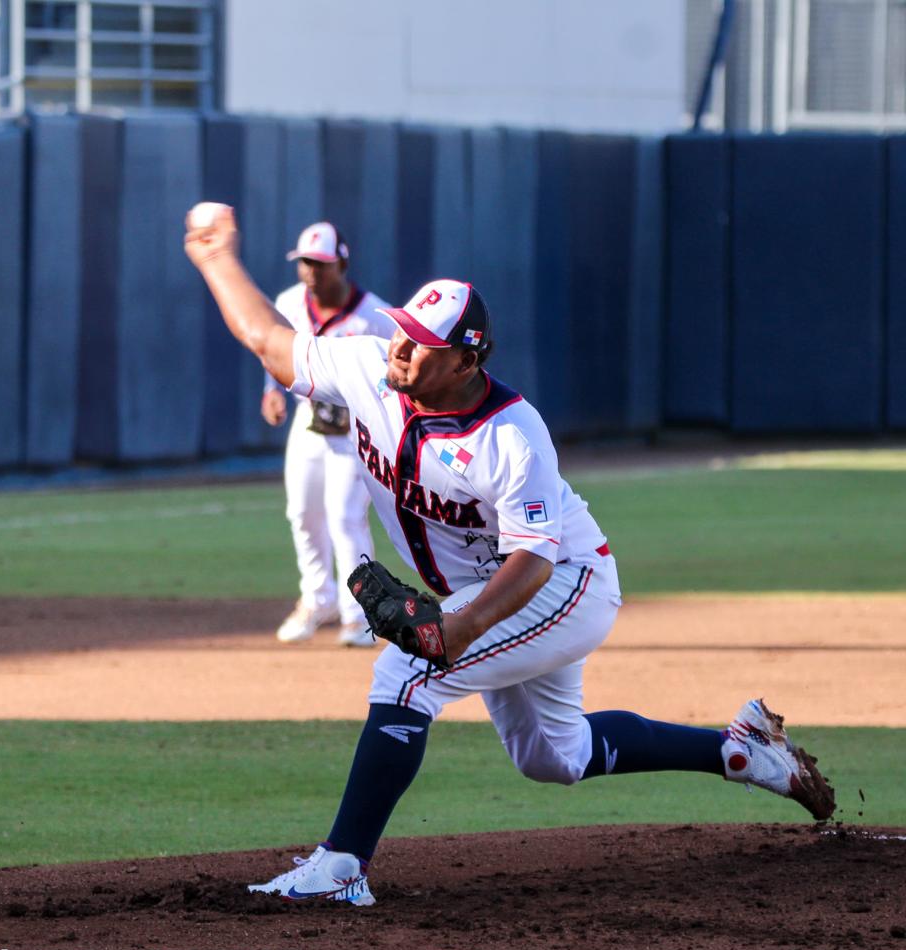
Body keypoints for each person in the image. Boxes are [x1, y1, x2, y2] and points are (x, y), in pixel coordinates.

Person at [185, 204, 835, 907]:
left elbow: (532, 560)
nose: (400, 348)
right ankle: (739, 751)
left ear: (466, 359)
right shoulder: (369, 363)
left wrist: (454, 630)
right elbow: (265, 337)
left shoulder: (513, 433)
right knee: (554, 758)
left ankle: (342, 867)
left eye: (421, 343)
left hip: (564, 582)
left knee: (407, 673)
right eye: (402, 330)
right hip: (492, 589)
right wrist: (216, 259)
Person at [263, 222, 399, 647]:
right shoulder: (288, 302)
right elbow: (273, 349)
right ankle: (316, 599)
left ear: (341, 262)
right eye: (305, 262)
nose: (311, 271)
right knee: (302, 513)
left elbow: (397, 368)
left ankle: (359, 614)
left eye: (320, 263)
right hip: (308, 424)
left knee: (344, 516)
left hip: (355, 431)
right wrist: (271, 390)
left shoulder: (373, 315)